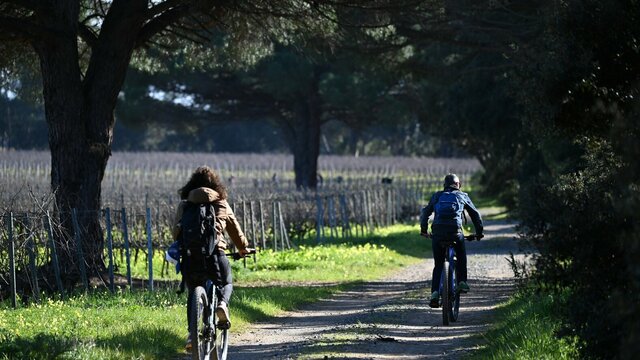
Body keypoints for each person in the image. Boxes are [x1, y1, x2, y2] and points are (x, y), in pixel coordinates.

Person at [172, 166, 250, 350]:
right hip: (216, 254)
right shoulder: (221, 202)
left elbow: (176, 233)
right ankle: (222, 304)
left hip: (191, 257)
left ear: (192, 184)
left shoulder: (185, 204)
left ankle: (192, 335)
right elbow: (235, 230)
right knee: (227, 282)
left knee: (193, 292)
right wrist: (243, 248)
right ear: (215, 184)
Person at [420, 173, 484, 308]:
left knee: (438, 264)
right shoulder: (462, 195)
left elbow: (425, 213)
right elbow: (475, 215)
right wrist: (479, 233)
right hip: (455, 232)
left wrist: (424, 230)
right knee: (461, 256)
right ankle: (462, 281)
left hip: (437, 232)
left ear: (444, 185)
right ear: (458, 185)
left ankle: (435, 294)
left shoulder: (437, 196)